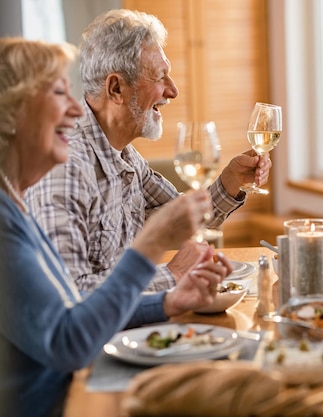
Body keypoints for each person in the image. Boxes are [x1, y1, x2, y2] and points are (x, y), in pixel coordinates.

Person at [0, 37, 233, 417]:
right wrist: (152, 248)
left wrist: (169, 302)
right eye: (60, 92)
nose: (77, 109)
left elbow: (74, 314)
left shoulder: (13, 203)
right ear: (11, 114)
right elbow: (70, 341)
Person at [24, 9, 272, 292]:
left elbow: (179, 219)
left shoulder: (124, 154)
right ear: (116, 88)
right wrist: (174, 274)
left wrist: (230, 181)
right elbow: (68, 294)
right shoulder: (65, 165)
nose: (173, 90)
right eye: (160, 77)